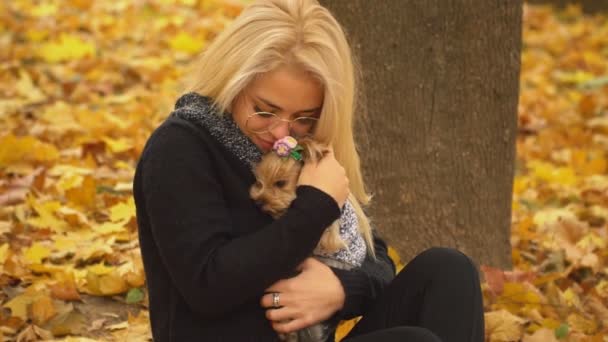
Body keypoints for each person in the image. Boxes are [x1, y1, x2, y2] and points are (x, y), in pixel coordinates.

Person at [132, 0, 485, 341]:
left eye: (303, 117)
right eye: (265, 110)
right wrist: (314, 207)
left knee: (449, 271)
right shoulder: (181, 147)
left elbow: (375, 259)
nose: (282, 134)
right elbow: (207, 286)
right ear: (233, 81)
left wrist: (340, 290)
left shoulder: (304, 153)